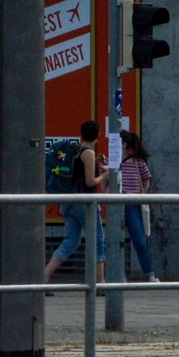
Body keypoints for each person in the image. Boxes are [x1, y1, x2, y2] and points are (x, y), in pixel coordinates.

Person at [43, 119, 106, 283]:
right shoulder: (89, 153)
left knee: (71, 241)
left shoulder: (76, 150)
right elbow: (90, 182)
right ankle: (99, 283)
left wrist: (96, 162)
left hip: (69, 202)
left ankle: (43, 278)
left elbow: (78, 173)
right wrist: (105, 176)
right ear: (97, 135)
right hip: (84, 204)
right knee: (98, 241)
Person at [117, 131, 155, 283]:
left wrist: (142, 196)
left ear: (125, 145)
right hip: (116, 204)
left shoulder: (139, 163)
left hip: (132, 205)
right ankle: (118, 274)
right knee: (114, 242)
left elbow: (146, 181)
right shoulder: (113, 164)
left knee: (139, 240)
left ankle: (150, 274)